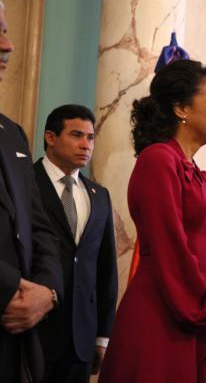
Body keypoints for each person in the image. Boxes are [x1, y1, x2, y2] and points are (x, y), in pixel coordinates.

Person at [99, 59, 206, 383]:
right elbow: (172, 250)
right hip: (161, 318)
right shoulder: (158, 160)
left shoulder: (194, 170)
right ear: (181, 108)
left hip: (198, 315)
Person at [0, 0, 63, 383]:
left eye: (6, 31)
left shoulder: (12, 133)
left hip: (18, 341)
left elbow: (40, 229)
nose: (7, 45)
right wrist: (10, 287)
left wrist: (48, 292)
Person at [33, 105, 118, 383]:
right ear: (50, 137)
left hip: (81, 339)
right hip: (34, 331)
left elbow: (106, 269)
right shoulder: (25, 183)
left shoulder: (99, 195)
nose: (86, 144)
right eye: (76, 135)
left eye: (91, 137)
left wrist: (102, 337)